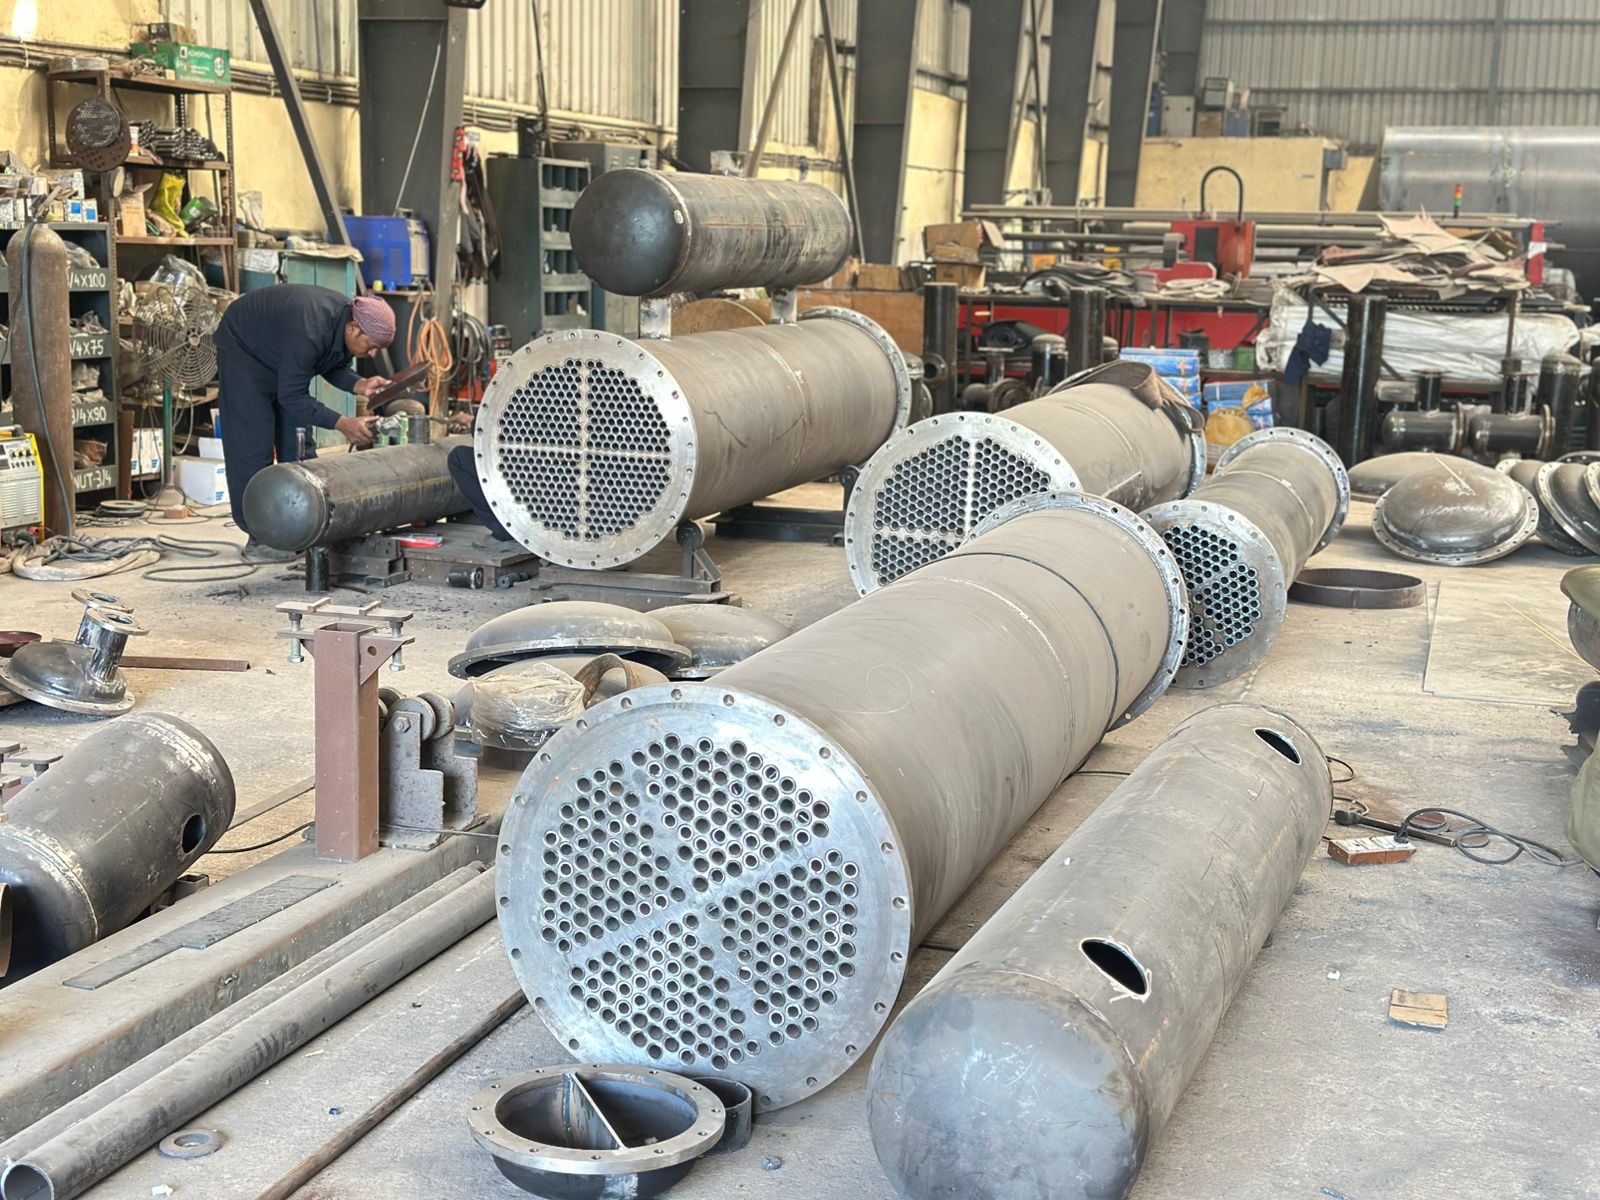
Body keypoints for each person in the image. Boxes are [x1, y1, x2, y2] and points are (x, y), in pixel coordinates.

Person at [214, 286, 395, 562]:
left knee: (299, 445)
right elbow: (292, 397)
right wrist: (343, 423)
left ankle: (303, 525)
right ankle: (260, 536)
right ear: (354, 329)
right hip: (244, 350)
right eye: (371, 346)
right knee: (252, 446)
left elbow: (329, 363)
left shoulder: (347, 318)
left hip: (281, 355)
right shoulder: (311, 328)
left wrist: (360, 384)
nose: (372, 355)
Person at [446, 408, 515, 544]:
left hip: (524, 471)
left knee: (458, 458)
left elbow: (482, 434)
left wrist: (472, 421)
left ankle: (505, 528)